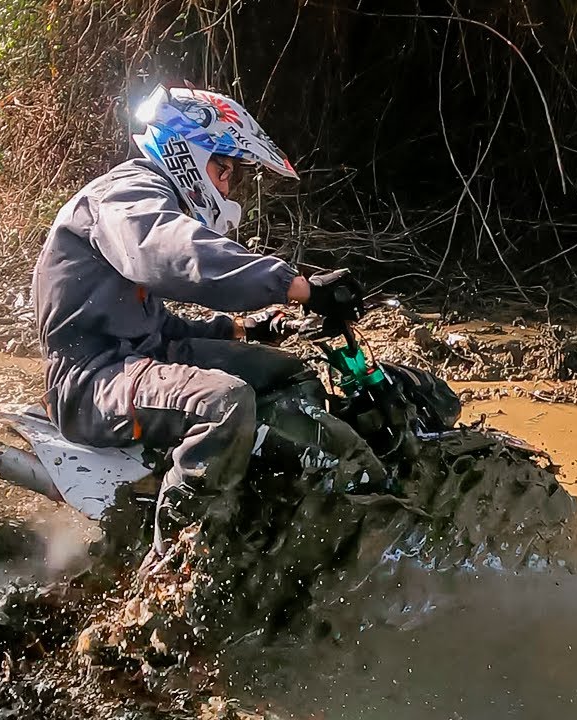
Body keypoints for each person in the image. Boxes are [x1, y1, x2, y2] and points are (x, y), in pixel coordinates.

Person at [30, 85, 362, 558]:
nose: (226, 189)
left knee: (288, 373)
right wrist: (298, 286)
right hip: (91, 381)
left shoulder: (148, 197)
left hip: (136, 358)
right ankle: (179, 567)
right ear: (188, 150)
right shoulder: (126, 195)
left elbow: (157, 328)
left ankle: (268, 504)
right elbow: (175, 252)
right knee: (225, 403)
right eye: (223, 171)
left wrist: (251, 329)